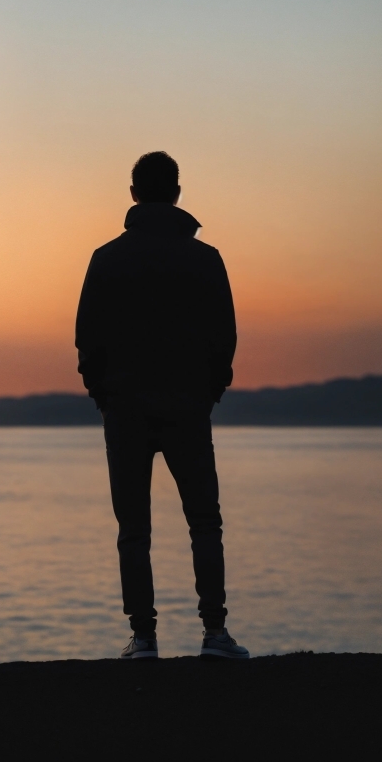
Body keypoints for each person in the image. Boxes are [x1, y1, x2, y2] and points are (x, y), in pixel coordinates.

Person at [75, 151, 249, 660]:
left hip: (125, 407)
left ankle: (144, 638)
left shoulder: (106, 259)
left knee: (134, 527)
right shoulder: (205, 259)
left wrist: (104, 396)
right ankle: (214, 633)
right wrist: (207, 395)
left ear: (133, 194)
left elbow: (87, 339)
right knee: (204, 522)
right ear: (176, 193)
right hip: (186, 407)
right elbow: (225, 337)